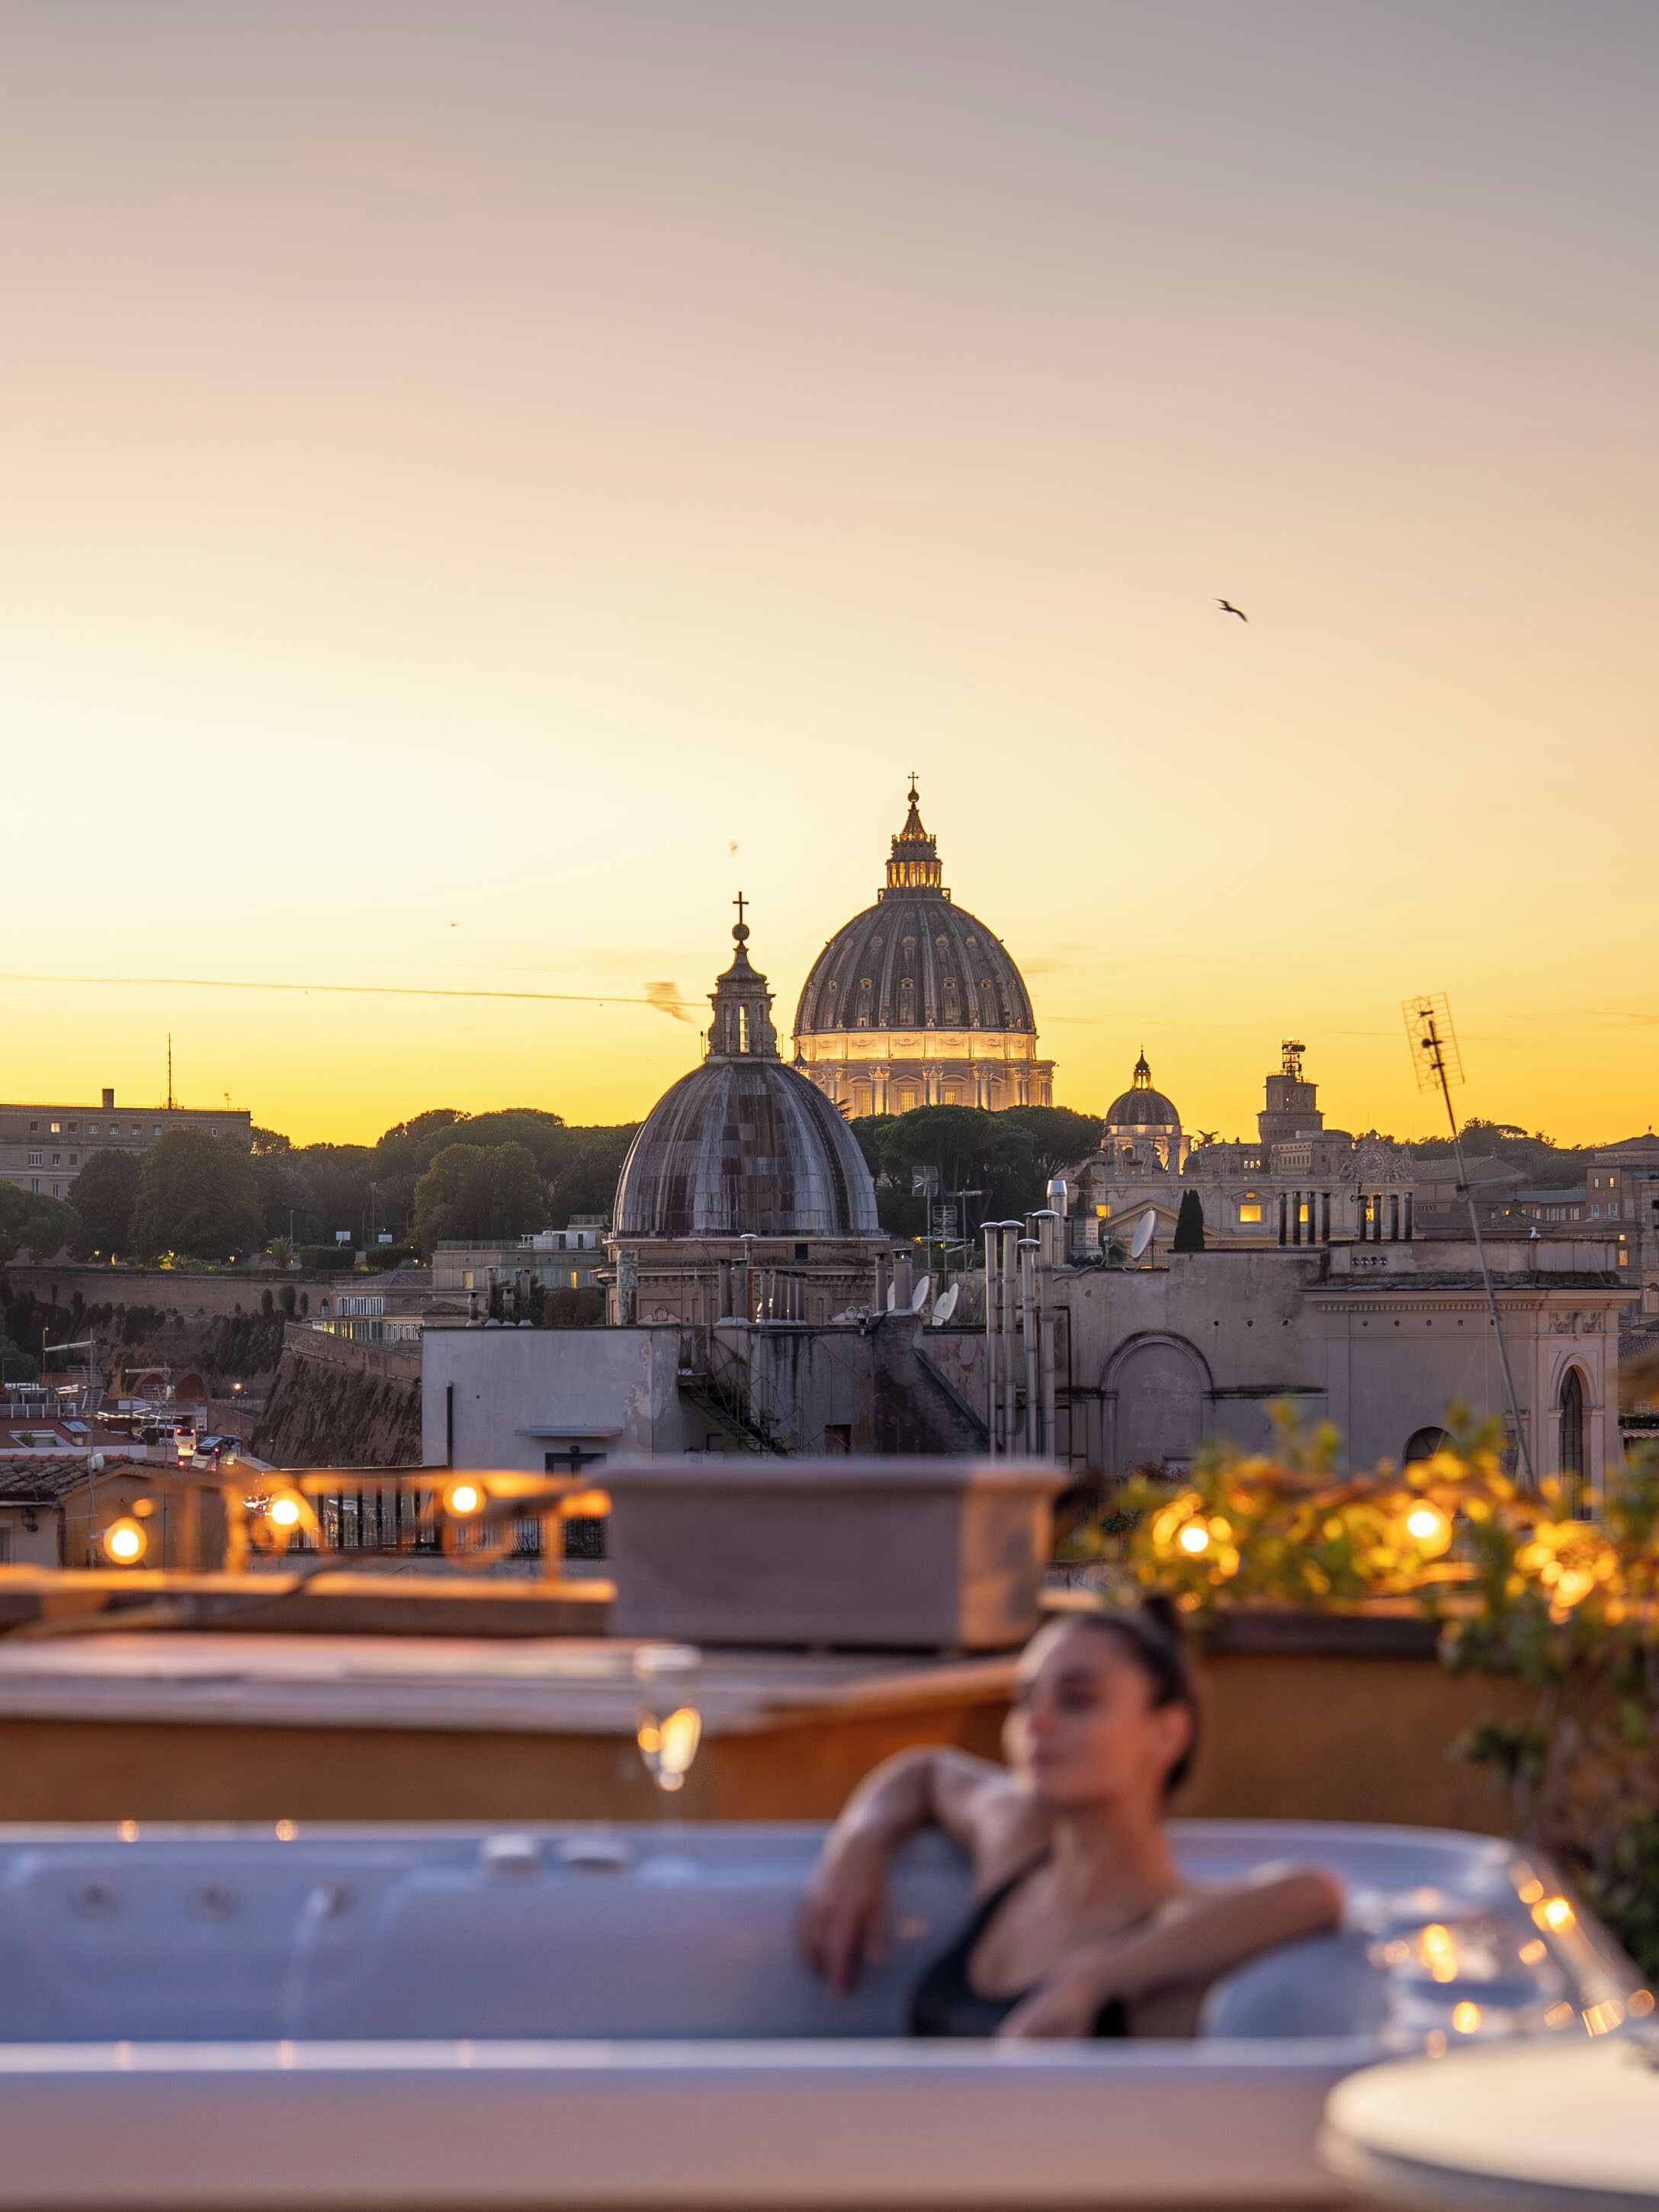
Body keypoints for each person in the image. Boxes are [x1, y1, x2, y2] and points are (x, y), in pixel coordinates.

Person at [799, 1599, 1343, 2038]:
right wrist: (857, 1844)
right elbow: (925, 1772)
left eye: (1078, 1700)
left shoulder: (1174, 1933)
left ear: (1167, 1733)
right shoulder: (1015, 1844)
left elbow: (1316, 1894)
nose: (1037, 1721)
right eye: (1025, 1699)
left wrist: (1095, 1978)